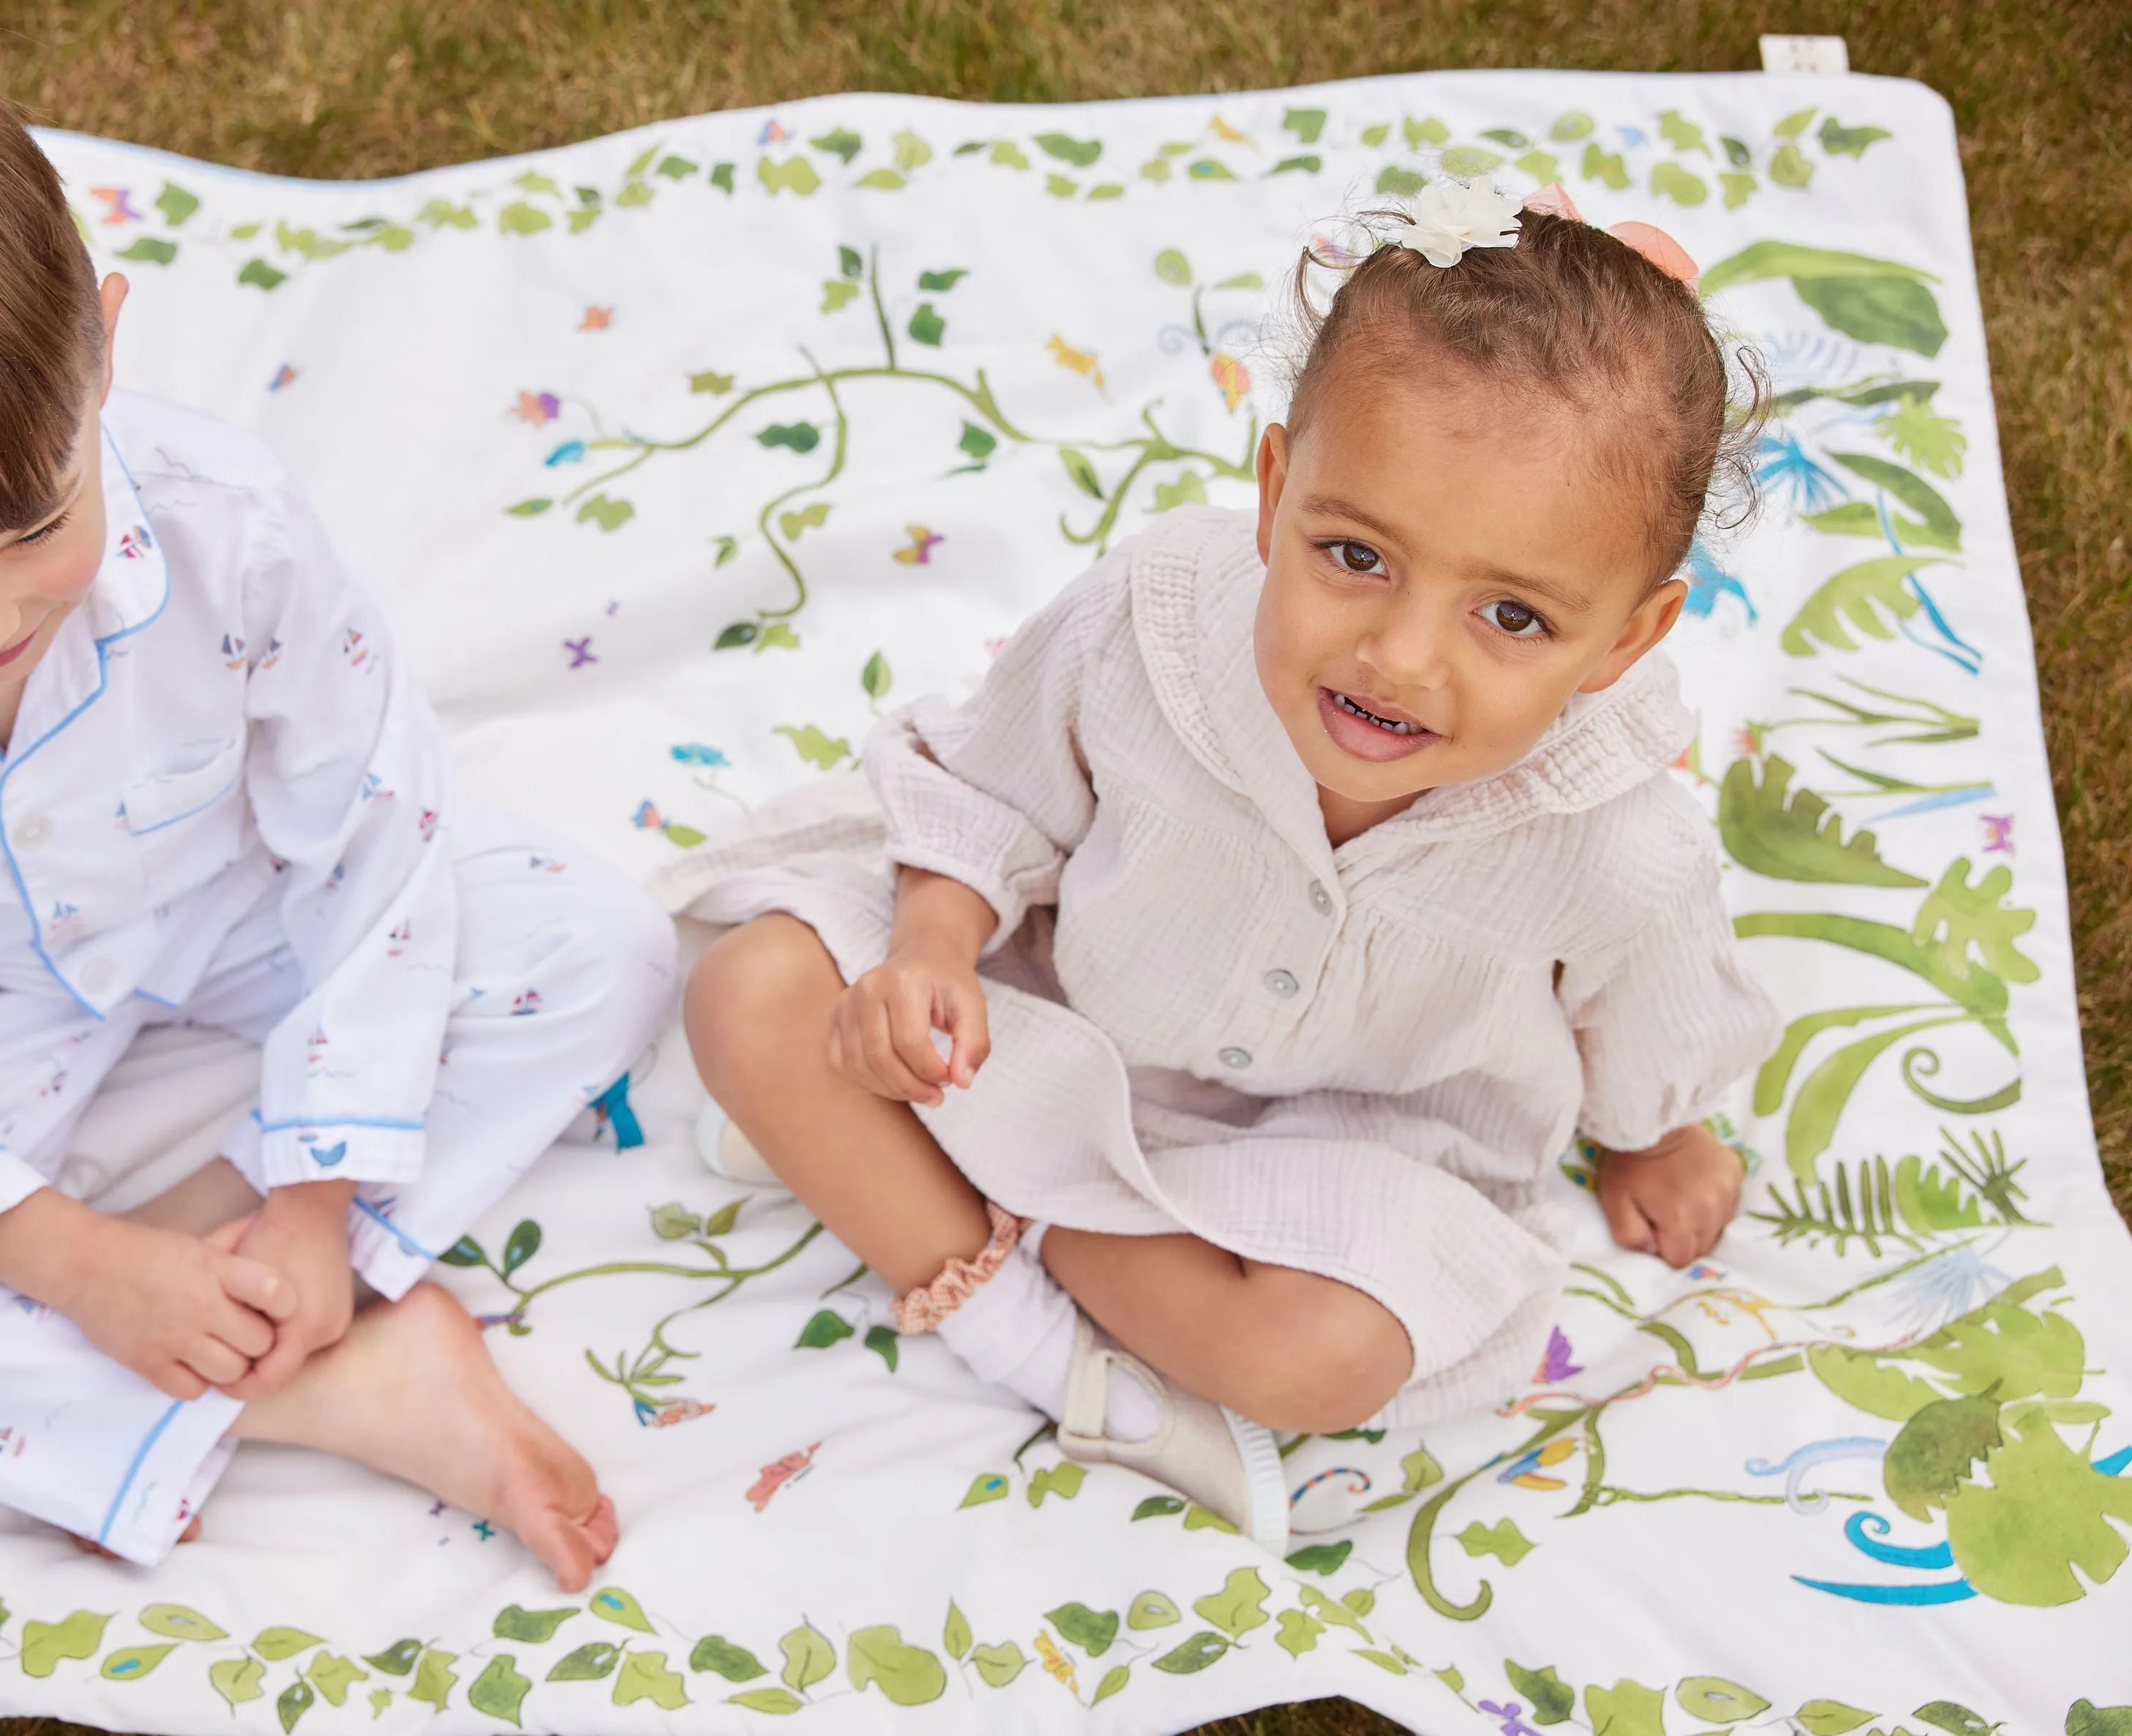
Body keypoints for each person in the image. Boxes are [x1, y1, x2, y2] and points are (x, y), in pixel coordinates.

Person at [0, 11, 676, 1586]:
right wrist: (72, 1261)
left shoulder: (230, 525)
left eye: (34, 531)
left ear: (103, 349)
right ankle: (332, 1388)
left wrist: (312, 1199)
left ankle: (240, 1279)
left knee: (602, 948)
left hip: (233, 905)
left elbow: (370, 836)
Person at [670, 179, 1780, 1551]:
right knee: (747, 993)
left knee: (1326, 1361)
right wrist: (934, 948)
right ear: (1273, 496)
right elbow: (990, 787)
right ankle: (1046, 1345)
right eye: (1355, 553)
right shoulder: (1153, 626)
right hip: (1067, 1021)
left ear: (1623, 641)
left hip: (1342, 1146)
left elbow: (1653, 1003)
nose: (1401, 656)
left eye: (1513, 615)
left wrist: (1658, 1135)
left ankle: (953, 1217)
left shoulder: (1618, 836)